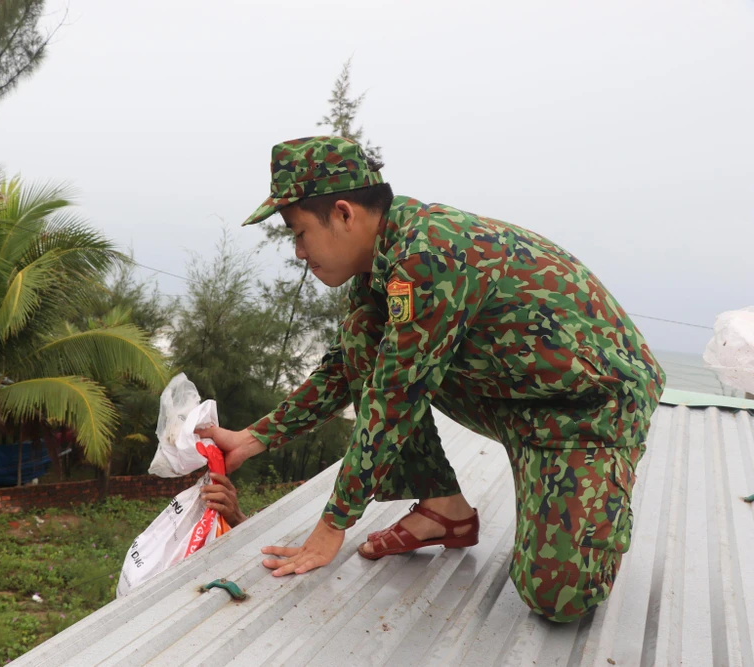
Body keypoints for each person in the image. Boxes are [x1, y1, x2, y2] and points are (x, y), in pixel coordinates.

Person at [196, 136, 665, 623]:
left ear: (342, 214)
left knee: (558, 598)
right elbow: (348, 368)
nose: (297, 250)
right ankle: (445, 508)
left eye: (298, 232)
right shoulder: (383, 264)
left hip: (586, 409)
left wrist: (333, 524)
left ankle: (603, 505)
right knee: (363, 336)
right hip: (513, 398)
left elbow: (395, 395)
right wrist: (252, 439)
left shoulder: (429, 254)